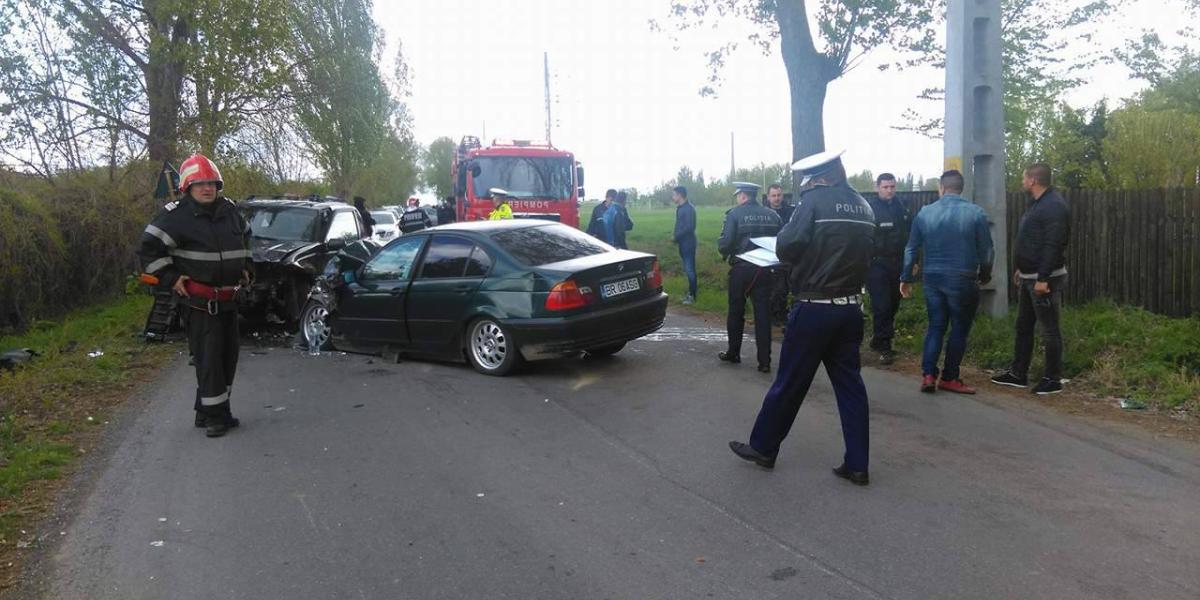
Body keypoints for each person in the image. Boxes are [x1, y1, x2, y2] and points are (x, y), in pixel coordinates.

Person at [728, 149, 876, 485]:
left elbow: (786, 246)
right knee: (851, 387)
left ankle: (763, 447)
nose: (806, 185)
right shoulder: (864, 206)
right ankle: (857, 464)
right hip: (851, 309)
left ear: (819, 178)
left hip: (815, 306)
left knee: (789, 383)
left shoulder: (813, 203)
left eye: (808, 179)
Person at [138, 153, 251, 438]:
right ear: (188, 187)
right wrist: (171, 277)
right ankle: (215, 418)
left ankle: (210, 410)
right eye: (200, 184)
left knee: (227, 358)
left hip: (229, 301)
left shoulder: (230, 211)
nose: (207, 188)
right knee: (209, 360)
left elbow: (247, 240)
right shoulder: (176, 216)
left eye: (211, 183)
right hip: (199, 303)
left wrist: (247, 266)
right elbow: (148, 250)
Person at [900, 170, 994, 394]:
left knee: (936, 326)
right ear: (961, 189)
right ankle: (950, 377)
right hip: (963, 277)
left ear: (941, 188)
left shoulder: (925, 213)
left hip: (932, 277)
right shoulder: (976, 213)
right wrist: (985, 275)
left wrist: (906, 277)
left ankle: (928, 375)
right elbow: (987, 251)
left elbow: (911, 248)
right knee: (959, 328)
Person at [991, 163, 1071, 395]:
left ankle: (1052, 379)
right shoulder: (1037, 203)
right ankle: (1018, 374)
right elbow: (1032, 240)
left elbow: (1053, 244)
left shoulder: (1053, 206)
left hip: (1045, 279)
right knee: (1023, 325)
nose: (1022, 181)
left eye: (1024, 178)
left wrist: (1043, 278)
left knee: (1049, 329)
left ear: (1033, 180)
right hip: (1029, 275)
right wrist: (1021, 268)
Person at [717, 182, 782, 373]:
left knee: (736, 311)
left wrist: (723, 248)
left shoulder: (734, 214)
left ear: (743, 196)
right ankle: (764, 361)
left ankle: (734, 353)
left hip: (741, 269)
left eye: (738, 196)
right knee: (763, 315)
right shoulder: (773, 215)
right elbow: (781, 242)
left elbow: (725, 244)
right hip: (765, 270)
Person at [865, 173, 912, 365]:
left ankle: (878, 339)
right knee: (882, 305)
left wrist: (913, 261)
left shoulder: (902, 208)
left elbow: (909, 237)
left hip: (898, 262)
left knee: (893, 303)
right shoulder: (869, 209)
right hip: (876, 263)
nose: (889, 190)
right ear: (877, 188)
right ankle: (885, 346)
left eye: (892, 186)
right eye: (885, 187)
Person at [764, 183, 795, 325]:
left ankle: (785, 314)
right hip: (769, 254)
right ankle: (773, 315)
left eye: (779, 195)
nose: (776, 198)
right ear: (768, 197)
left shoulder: (792, 212)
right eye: (773, 195)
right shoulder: (764, 213)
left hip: (789, 253)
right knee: (776, 287)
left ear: (782, 196)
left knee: (788, 287)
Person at [671, 185, 698, 305]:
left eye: (674, 195)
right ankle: (691, 292)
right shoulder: (680, 208)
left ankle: (692, 295)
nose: (673, 197)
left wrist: (676, 236)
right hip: (682, 243)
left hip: (688, 244)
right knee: (688, 269)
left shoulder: (689, 209)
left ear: (679, 195)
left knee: (690, 270)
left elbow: (689, 227)